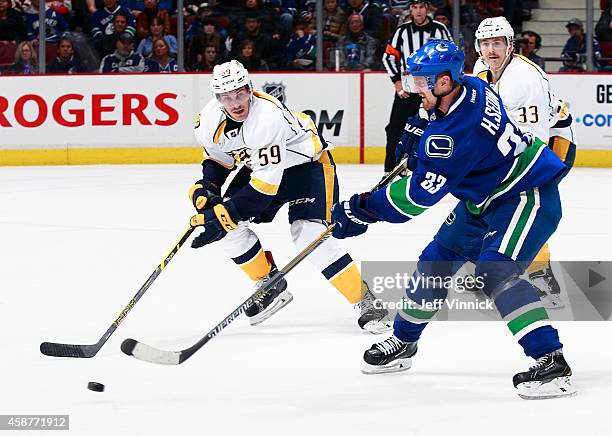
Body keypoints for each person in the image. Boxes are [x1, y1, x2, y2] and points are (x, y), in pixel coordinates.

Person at [331, 39, 575, 400]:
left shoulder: (452, 135)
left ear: (444, 82)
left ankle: (551, 361)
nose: (416, 89)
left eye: (421, 82)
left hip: (525, 194)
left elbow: (414, 200)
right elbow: (438, 127)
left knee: (496, 271)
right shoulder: (473, 85)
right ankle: (404, 341)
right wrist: (418, 126)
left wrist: (362, 209)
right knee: (435, 261)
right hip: (484, 197)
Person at [189, 60, 391, 332]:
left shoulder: (266, 118)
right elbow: (218, 159)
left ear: (249, 89)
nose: (236, 103)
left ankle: (364, 299)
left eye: (240, 93)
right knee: (228, 227)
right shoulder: (209, 120)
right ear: (218, 99)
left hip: (307, 167)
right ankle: (269, 283)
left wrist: (224, 215)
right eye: (227, 97)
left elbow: (263, 190)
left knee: (307, 234)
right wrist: (208, 188)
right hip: (264, 168)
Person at [473, 17, 576, 309]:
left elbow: (534, 141)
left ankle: (542, 279)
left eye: (497, 43)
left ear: (510, 46)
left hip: (551, 146)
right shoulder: (482, 69)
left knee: (525, 205)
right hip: (516, 143)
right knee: (495, 204)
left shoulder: (525, 78)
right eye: (485, 43)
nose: (491, 50)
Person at [381, 0, 451, 174]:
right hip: (408, 89)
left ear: (427, 9)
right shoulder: (402, 31)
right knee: (395, 128)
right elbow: (388, 57)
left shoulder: (440, 30)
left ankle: (440, 167)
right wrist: (398, 83)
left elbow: (450, 55)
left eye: (421, 7)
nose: (418, 11)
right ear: (410, 9)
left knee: (438, 126)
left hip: (434, 90)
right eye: (415, 7)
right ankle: (391, 169)